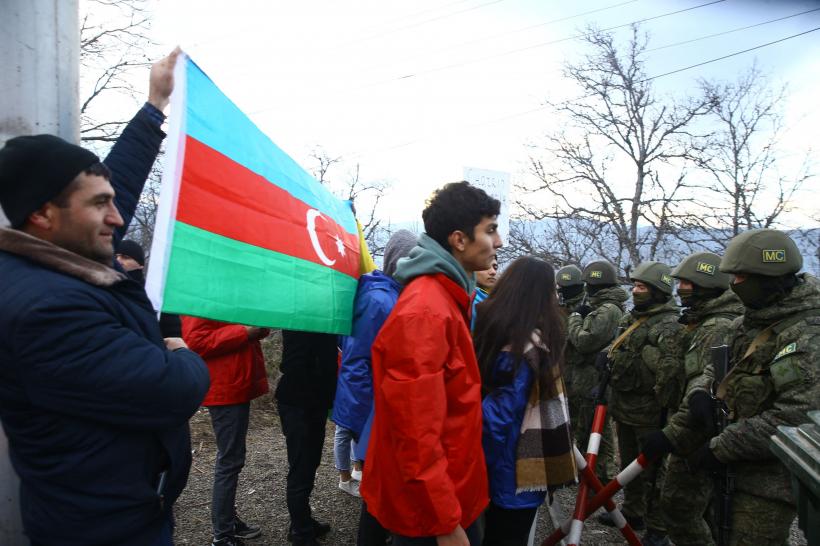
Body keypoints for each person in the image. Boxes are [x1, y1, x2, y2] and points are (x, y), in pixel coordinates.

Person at [0, 49, 211, 546]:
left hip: (118, 511)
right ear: (42, 214)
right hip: (102, 529)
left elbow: (119, 182)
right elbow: (170, 390)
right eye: (101, 205)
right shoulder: (47, 309)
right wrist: (181, 355)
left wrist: (155, 105)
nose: (118, 218)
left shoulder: (60, 253)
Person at [361, 181, 502, 546]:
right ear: (459, 239)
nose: (498, 242)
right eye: (490, 230)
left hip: (450, 494)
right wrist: (445, 523)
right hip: (430, 513)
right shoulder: (426, 312)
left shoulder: (449, 299)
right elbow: (415, 432)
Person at [686, 229, 820, 546]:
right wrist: (700, 393)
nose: (734, 285)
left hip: (769, 483)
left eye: (742, 277)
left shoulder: (807, 334)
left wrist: (721, 447)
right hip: (731, 466)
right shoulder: (747, 322)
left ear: (769, 278)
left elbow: (796, 416)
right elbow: (713, 367)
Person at [639, 252, 742, 546]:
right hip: (682, 421)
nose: (680, 288)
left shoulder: (717, 326)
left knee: (681, 506)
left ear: (706, 287)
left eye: (686, 282)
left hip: (697, 431)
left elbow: (699, 383)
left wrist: (674, 433)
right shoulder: (697, 321)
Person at [474, 257, 575, 546]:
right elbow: (500, 417)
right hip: (518, 470)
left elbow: (495, 420)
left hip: (508, 470)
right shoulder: (530, 345)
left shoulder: (515, 343)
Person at [331, 229, 417, 545]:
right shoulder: (379, 299)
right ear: (400, 261)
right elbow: (356, 363)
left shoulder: (393, 294)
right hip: (372, 416)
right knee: (378, 495)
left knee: (382, 492)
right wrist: (366, 426)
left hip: (380, 414)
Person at [598, 261, 682, 546]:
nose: (635, 291)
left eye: (642, 286)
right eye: (634, 285)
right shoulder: (631, 319)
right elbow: (619, 347)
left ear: (658, 291)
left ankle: (657, 528)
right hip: (624, 405)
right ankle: (633, 512)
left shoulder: (668, 325)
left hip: (651, 412)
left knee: (655, 472)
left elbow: (669, 373)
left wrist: (644, 355)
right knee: (629, 466)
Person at [182, 318, 271, 546]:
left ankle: (227, 522)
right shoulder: (203, 296)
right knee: (230, 461)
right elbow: (195, 341)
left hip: (235, 384)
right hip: (225, 389)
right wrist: (245, 332)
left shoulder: (226, 292)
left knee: (232, 459)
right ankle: (222, 535)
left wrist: (258, 329)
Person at [565, 260, 627, 484]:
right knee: (588, 430)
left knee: (597, 434)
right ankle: (591, 479)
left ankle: (598, 480)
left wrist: (575, 319)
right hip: (588, 380)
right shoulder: (601, 307)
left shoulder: (608, 310)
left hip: (596, 380)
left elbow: (584, 341)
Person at [276, 330, 338, 546]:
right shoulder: (301, 319)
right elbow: (299, 362)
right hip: (299, 401)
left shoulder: (322, 319)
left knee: (310, 463)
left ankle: (302, 521)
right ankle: (301, 534)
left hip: (313, 400)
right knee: (301, 468)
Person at [115, 238, 182, 337]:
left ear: (140, 265)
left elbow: (172, 333)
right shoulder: (102, 288)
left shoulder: (154, 293)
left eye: (125, 257)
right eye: (115, 256)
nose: (118, 261)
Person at [471, 255, 498, 329]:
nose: (493, 272)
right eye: (486, 266)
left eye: (495, 268)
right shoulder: (470, 301)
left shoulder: (499, 300)